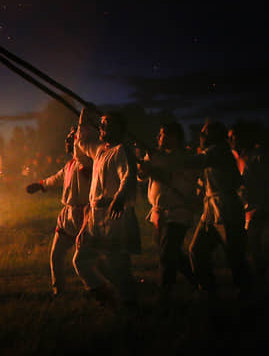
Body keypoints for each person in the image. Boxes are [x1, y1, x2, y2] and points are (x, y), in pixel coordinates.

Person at [73, 107, 140, 308]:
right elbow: (83, 142)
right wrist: (83, 119)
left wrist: (118, 199)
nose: (102, 127)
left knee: (119, 265)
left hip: (114, 216)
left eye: (107, 123)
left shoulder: (122, 150)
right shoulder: (101, 150)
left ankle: (129, 304)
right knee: (81, 260)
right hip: (95, 216)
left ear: (120, 128)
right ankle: (106, 296)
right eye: (102, 123)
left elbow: (127, 177)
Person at [188, 121, 252, 299]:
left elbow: (194, 162)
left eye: (205, 132)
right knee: (197, 249)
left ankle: (246, 293)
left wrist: (168, 159)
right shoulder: (215, 152)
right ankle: (208, 289)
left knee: (235, 256)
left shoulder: (218, 151)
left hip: (226, 210)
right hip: (212, 211)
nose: (201, 136)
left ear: (215, 135)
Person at [26, 127, 92, 296]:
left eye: (71, 138)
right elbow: (56, 178)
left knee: (91, 260)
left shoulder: (90, 163)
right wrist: (41, 185)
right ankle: (59, 292)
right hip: (68, 217)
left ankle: (100, 289)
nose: (67, 142)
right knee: (56, 255)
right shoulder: (69, 166)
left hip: (87, 217)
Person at [138, 122, 198, 301]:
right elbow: (142, 176)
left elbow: (181, 180)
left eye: (163, 134)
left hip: (178, 212)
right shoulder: (155, 155)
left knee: (167, 254)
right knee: (169, 251)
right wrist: (143, 167)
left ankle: (164, 294)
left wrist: (156, 170)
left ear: (175, 137)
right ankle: (197, 279)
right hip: (159, 212)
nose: (159, 137)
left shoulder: (186, 158)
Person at [229, 127, 269, 282]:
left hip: (256, 206)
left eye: (234, 136)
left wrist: (265, 204)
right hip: (242, 207)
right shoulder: (233, 157)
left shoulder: (258, 157)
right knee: (246, 246)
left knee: (252, 244)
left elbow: (268, 182)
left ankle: (258, 278)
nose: (231, 139)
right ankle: (256, 275)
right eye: (230, 136)